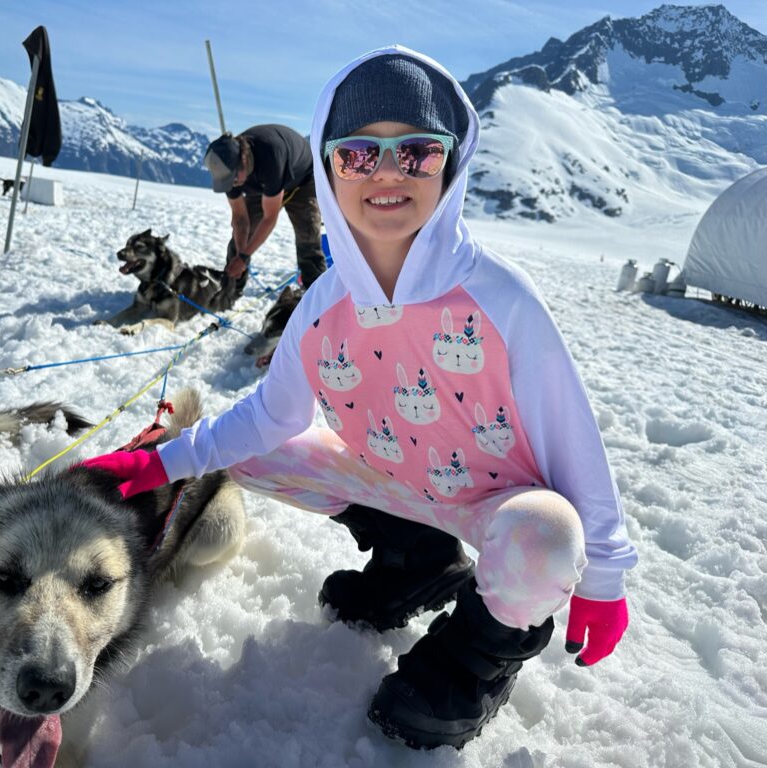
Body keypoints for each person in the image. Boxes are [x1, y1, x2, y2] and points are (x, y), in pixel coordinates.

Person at [84, 45, 636, 750]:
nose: (385, 174)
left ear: (451, 163)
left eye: (416, 154)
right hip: (397, 485)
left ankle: (471, 661)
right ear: (328, 168)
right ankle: (416, 559)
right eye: (356, 155)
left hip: (500, 510)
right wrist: (163, 463)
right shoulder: (323, 306)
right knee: (252, 452)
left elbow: (575, 443)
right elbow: (268, 416)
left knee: (546, 538)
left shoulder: (502, 302)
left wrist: (607, 575)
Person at [204, 125, 327, 290]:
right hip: (263, 184)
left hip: (303, 179)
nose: (231, 185)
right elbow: (240, 218)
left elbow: (269, 218)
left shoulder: (270, 158)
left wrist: (245, 256)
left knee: (308, 236)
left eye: (233, 179)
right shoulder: (229, 172)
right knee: (241, 238)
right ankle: (231, 287)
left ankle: (315, 293)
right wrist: (241, 255)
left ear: (243, 160)